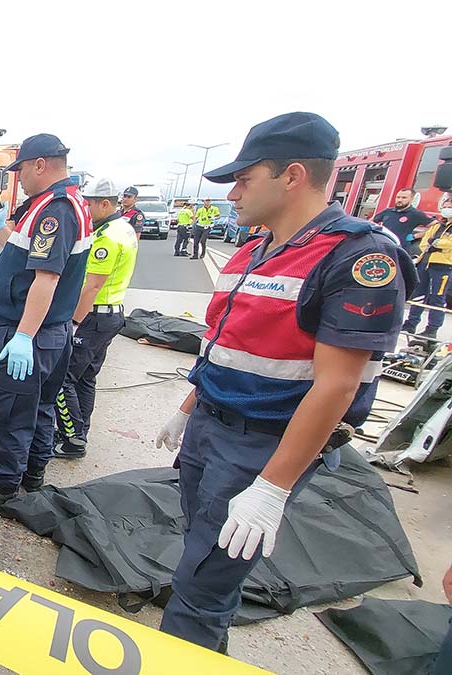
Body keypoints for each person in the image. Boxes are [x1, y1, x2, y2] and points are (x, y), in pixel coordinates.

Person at [152, 112, 414, 652]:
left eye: (245, 180)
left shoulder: (358, 256)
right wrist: (188, 406)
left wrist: (271, 488)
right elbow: (227, 344)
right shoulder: (254, 251)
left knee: (200, 589)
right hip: (211, 429)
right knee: (201, 561)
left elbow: (337, 386)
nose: (233, 195)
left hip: (263, 445)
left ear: (292, 176)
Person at [0, 133, 92, 513]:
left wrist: (22, 336)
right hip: (50, 334)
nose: (20, 179)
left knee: (9, 413)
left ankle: (4, 490)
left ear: (41, 165)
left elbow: (46, 278)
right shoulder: (63, 204)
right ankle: (32, 477)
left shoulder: (56, 210)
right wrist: (1, 229)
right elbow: (28, 257)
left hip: (30, 333)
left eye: (22, 171)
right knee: (39, 409)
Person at [54, 178, 138, 459]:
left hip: (93, 317)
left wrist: (74, 322)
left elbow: (92, 285)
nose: (85, 210)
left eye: (89, 204)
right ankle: (79, 431)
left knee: (62, 378)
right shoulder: (123, 228)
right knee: (85, 379)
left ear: (105, 203)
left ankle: (72, 439)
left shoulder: (107, 238)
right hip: (110, 315)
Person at [402, 195, 452, 340]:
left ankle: (432, 329)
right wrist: (433, 244)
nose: (447, 209)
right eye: (446, 207)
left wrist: (438, 243)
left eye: (450, 207)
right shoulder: (437, 226)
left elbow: (447, 243)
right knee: (419, 295)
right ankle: (411, 323)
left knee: (438, 298)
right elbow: (425, 242)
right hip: (425, 262)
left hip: (444, 266)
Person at [372, 188, 435, 256]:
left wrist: (415, 236)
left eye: (404, 198)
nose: (399, 200)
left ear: (411, 199)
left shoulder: (415, 214)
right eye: (398, 197)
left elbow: (436, 226)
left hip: (400, 251)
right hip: (383, 247)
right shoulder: (388, 211)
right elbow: (371, 222)